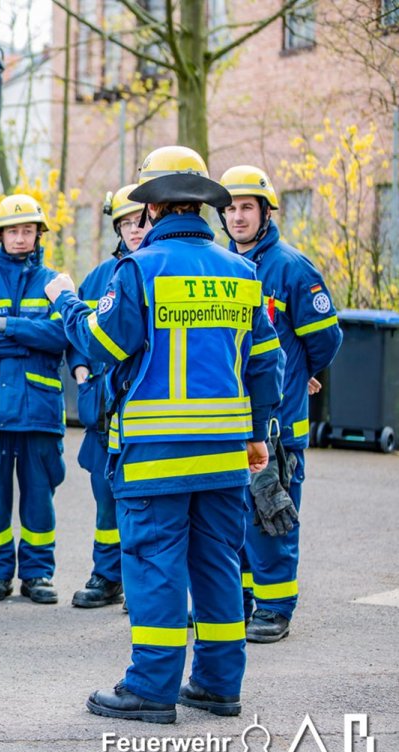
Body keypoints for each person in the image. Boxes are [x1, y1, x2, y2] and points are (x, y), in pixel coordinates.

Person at [46, 145, 284, 723]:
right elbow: (265, 367)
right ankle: (218, 685)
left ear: (151, 208)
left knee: (155, 566)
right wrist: (256, 439)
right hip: (226, 457)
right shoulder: (242, 271)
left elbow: (102, 344)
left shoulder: (140, 269)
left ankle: (151, 688)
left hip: (155, 456)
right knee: (219, 567)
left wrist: (66, 303)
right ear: (202, 206)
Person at [220, 165, 342, 643]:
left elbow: (326, 339)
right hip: (233, 421)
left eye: (247, 207)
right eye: (230, 208)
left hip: (278, 425)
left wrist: (300, 376)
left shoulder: (291, 268)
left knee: (273, 512)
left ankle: (274, 608)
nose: (237, 216)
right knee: (238, 517)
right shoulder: (222, 266)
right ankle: (245, 600)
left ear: (266, 212)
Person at [0, 194, 69, 605]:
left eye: (27, 231)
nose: (20, 238)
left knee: (40, 499)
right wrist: (30, 338)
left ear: (38, 235)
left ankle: (38, 575)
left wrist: (5, 325)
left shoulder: (56, 283)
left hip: (39, 413)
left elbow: (61, 336)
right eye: (13, 231)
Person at [68, 184, 150, 609]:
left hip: (140, 412)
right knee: (105, 499)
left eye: (141, 220)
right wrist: (81, 371)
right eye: (127, 222)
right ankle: (106, 576)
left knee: (142, 507)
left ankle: (140, 586)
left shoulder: (154, 270)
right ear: (117, 227)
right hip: (102, 411)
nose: (135, 229)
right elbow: (77, 330)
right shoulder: (100, 277)